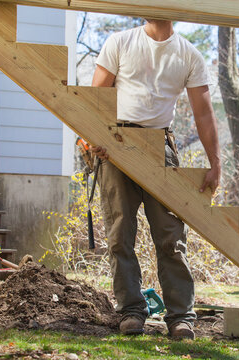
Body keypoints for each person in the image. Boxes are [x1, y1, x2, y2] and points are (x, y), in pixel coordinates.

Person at [90, 19, 221, 340]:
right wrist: (91, 138)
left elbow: (204, 113)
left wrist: (216, 163)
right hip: (115, 145)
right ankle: (132, 311)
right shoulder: (119, 42)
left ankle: (180, 318)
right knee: (120, 235)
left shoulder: (188, 54)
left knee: (171, 237)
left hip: (160, 146)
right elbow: (93, 98)